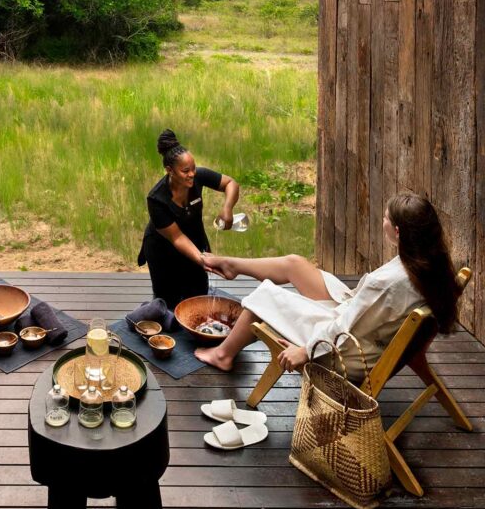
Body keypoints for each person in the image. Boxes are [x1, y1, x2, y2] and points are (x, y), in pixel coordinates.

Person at [195, 192, 461, 380]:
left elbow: (345, 328)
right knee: (295, 264)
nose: (383, 222)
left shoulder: (388, 283)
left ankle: (222, 355)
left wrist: (305, 351)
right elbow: (364, 310)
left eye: (385, 219)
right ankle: (233, 264)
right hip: (362, 320)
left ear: (399, 231)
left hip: (346, 350)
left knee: (263, 298)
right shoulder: (429, 262)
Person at [137, 129, 240, 310]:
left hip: (193, 239)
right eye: (186, 170)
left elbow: (231, 184)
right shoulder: (156, 198)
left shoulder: (197, 177)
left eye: (193, 168)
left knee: (199, 292)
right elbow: (177, 238)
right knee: (168, 303)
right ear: (170, 170)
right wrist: (202, 260)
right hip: (162, 249)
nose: (192, 174)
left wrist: (227, 208)